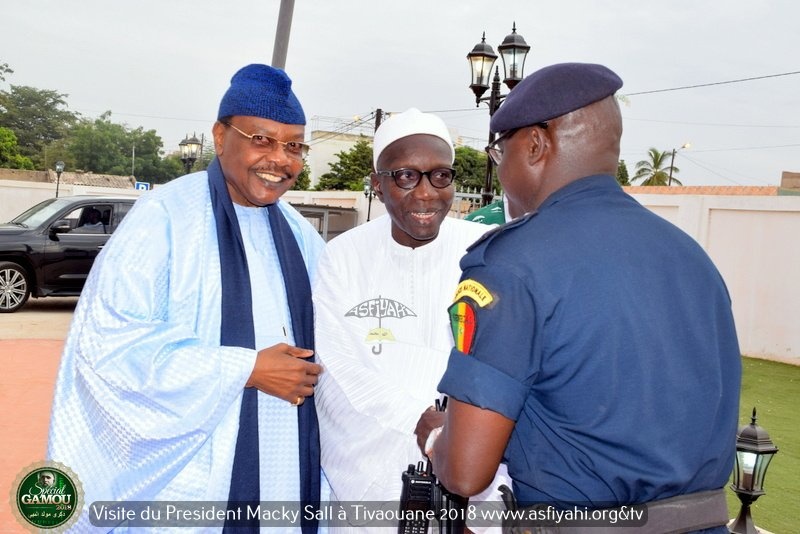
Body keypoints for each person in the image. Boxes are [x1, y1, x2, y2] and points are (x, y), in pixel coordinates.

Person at [416, 63, 741, 534]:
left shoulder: (512, 263)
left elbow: (466, 471)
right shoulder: (691, 257)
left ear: (534, 145)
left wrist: (437, 438)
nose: (499, 166)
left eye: (498, 150)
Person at [48, 64, 325, 532]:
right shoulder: (163, 219)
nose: (280, 159)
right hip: (191, 477)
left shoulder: (300, 235)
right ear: (220, 137)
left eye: (293, 145)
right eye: (261, 139)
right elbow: (110, 348)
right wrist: (246, 369)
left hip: (283, 462)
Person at [313, 108, 507, 531]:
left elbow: (504, 363)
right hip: (368, 477)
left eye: (441, 175)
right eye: (405, 176)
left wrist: (457, 438)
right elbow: (338, 366)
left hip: (470, 474)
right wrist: (418, 417)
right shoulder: (343, 256)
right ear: (377, 184)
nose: (425, 193)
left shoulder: (484, 251)